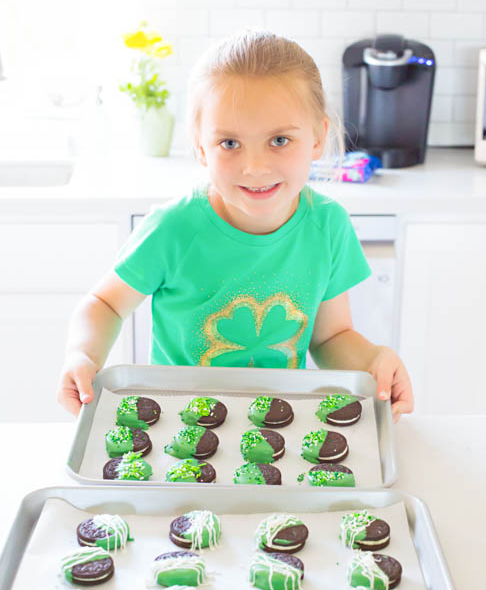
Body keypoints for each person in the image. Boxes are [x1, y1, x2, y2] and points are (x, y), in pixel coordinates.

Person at [57, 29, 413, 423]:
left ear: (317, 137)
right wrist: (83, 356)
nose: (255, 167)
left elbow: (330, 337)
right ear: (200, 146)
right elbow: (104, 304)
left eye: (279, 140)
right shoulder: (174, 229)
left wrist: (375, 360)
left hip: (280, 426)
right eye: (229, 143)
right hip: (178, 427)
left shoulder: (328, 226)